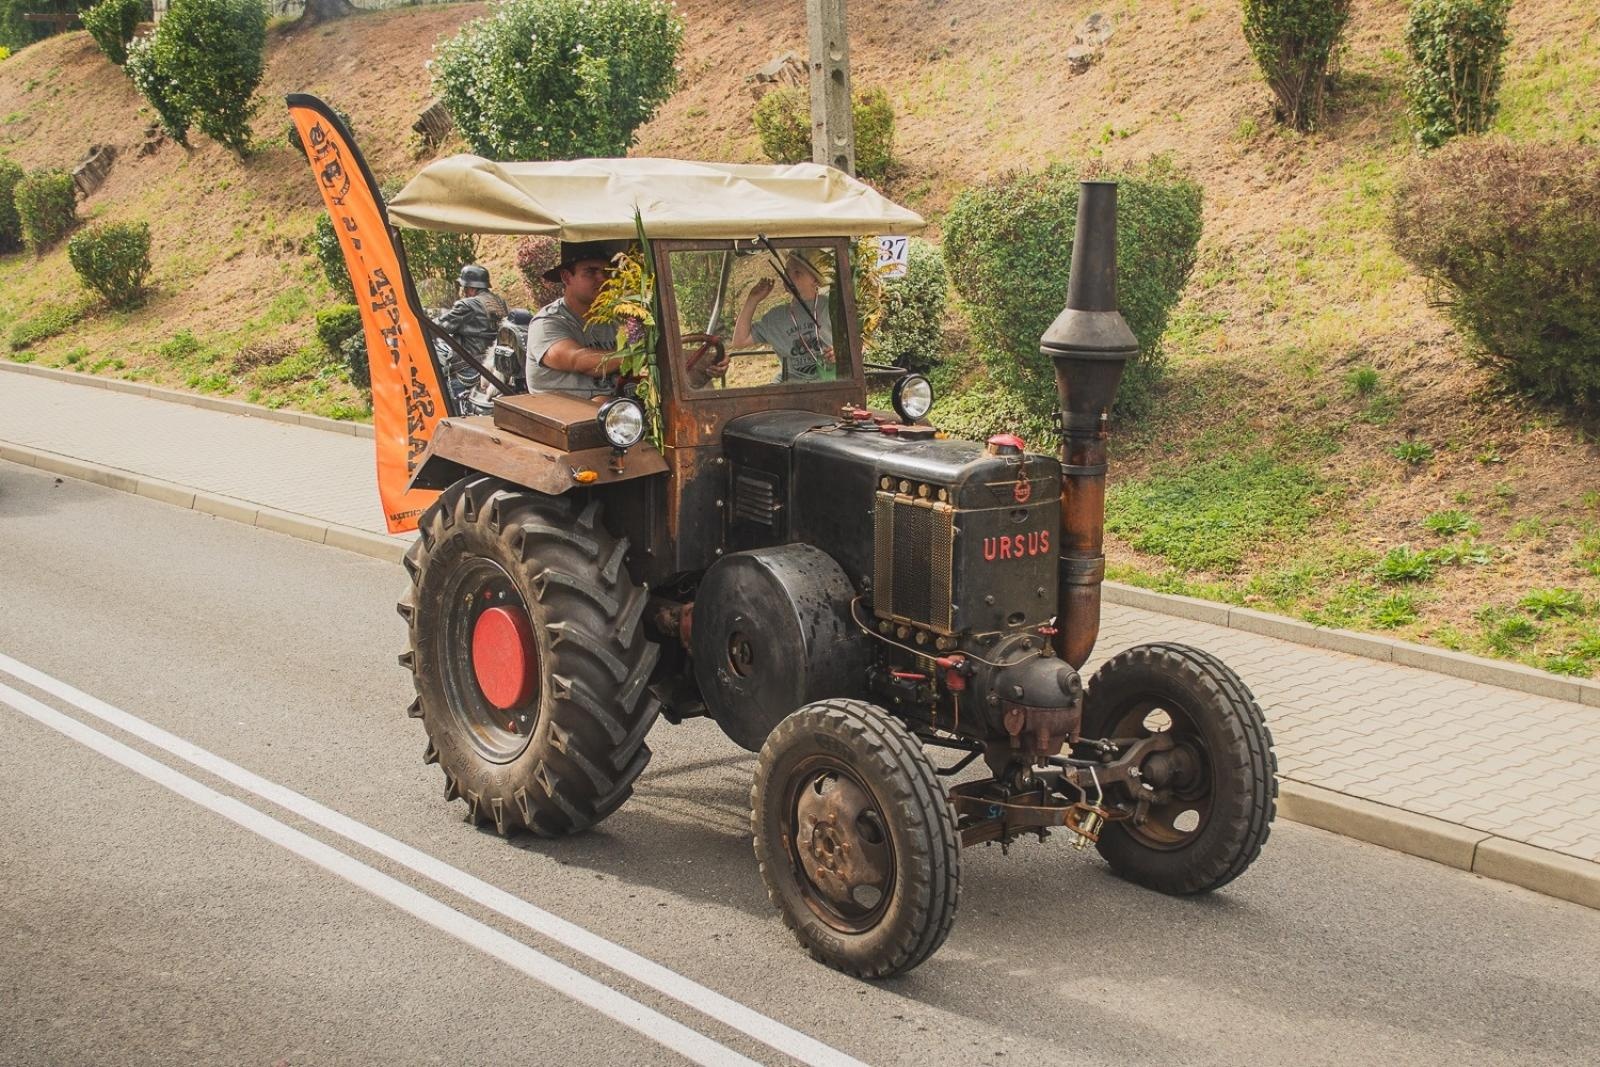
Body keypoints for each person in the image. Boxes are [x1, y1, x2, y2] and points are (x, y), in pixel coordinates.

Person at [524, 241, 632, 398]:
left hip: (618, 408)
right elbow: (577, 360)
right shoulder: (547, 323)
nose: (602, 278)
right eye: (591, 272)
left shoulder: (617, 319)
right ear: (566, 278)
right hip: (564, 411)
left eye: (606, 272)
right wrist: (634, 356)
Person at [731, 251, 835, 383]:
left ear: (815, 280)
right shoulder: (776, 317)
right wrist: (752, 299)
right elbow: (740, 341)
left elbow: (856, 343)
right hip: (789, 387)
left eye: (797, 272)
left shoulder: (832, 307)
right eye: (787, 271)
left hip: (831, 383)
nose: (788, 277)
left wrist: (841, 354)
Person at [432, 264, 507, 411]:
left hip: (469, 367)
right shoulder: (499, 302)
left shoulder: (467, 305)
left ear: (471, 288)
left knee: (445, 395)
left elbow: (440, 326)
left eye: (464, 288)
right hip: (492, 364)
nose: (464, 292)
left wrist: (423, 320)